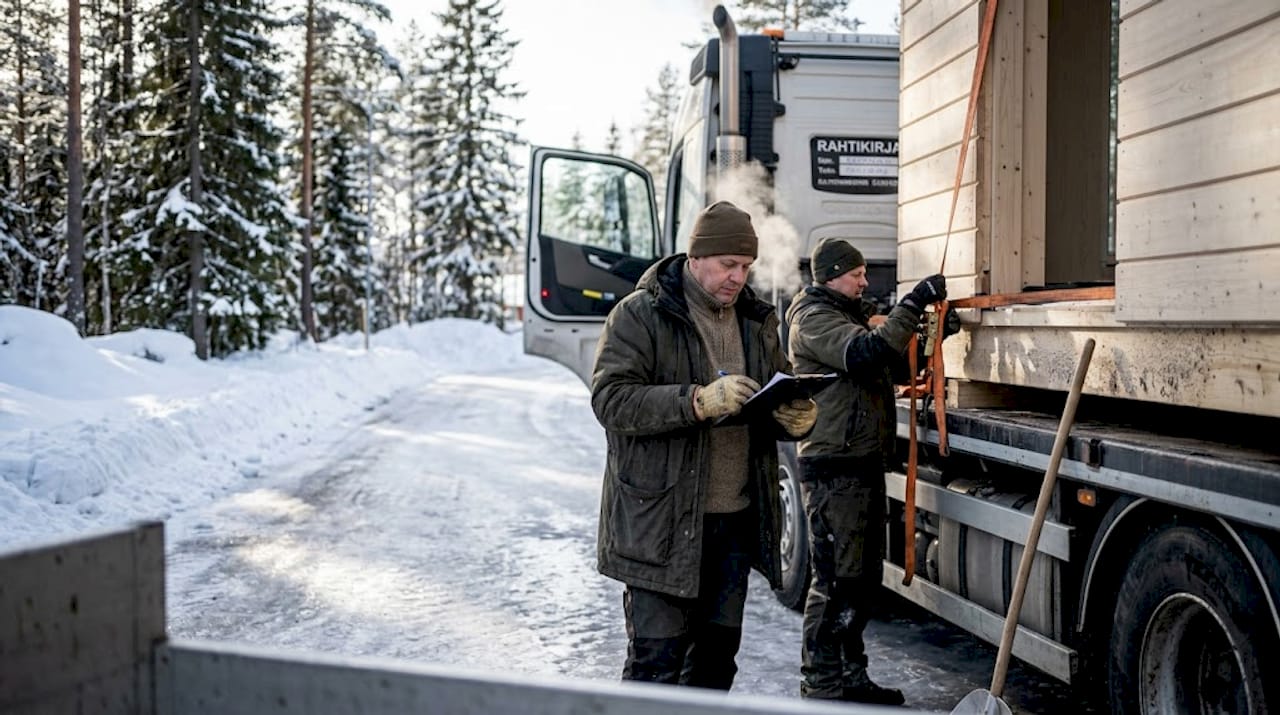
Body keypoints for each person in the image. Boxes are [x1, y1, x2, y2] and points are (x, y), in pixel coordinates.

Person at [591, 200, 819, 690]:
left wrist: (790, 418)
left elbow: (769, 393)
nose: (738, 278)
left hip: (730, 526)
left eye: (745, 267)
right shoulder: (640, 315)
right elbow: (610, 401)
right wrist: (695, 402)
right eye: (727, 265)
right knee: (656, 668)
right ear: (695, 258)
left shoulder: (756, 322)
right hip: (661, 525)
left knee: (716, 666)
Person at [784, 236, 949, 705]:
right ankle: (822, 682)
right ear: (833, 275)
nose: (863, 280)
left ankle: (850, 676)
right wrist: (912, 303)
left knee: (860, 578)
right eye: (856, 273)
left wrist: (930, 332)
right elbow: (864, 355)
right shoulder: (813, 319)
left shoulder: (847, 316)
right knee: (836, 579)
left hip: (859, 463)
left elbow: (891, 367)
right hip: (834, 467)